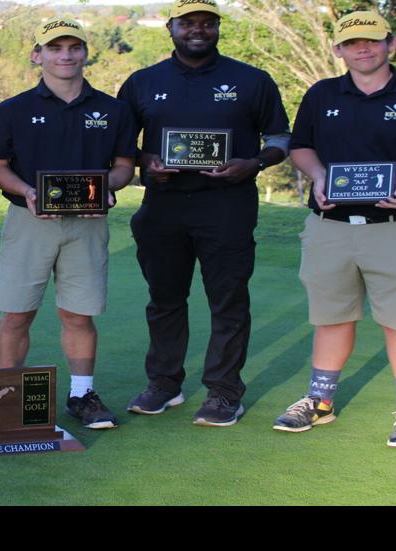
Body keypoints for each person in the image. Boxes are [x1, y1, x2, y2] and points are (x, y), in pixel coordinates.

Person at [274, 11, 396, 449]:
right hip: (330, 226)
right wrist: (318, 176)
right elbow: (301, 146)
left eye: (372, 41)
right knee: (331, 317)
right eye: (352, 43)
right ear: (339, 50)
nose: (363, 49)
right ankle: (319, 400)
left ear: (391, 44)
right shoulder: (322, 94)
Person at [115, 0, 289, 426]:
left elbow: (282, 138)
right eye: (188, 23)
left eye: (207, 23)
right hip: (164, 205)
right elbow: (120, 145)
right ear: (171, 28)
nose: (198, 30)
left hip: (227, 205)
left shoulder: (252, 80)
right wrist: (145, 162)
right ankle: (164, 384)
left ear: (217, 28)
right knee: (165, 299)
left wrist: (256, 163)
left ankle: (225, 392)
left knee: (228, 301)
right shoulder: (142, 81)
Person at [0, 18, 137, 430]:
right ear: (38, 55)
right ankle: (10, 400)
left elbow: (124, 165)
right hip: (28, 220)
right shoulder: (11, 110)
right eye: (55, 48)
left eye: (74, 47)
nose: (65, 55)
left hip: (88, 224)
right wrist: (27, 192)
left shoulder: (114, 109)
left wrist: (108, 188)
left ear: (86, 53)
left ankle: (81, 394)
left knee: (79, 314)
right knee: (16, 314)